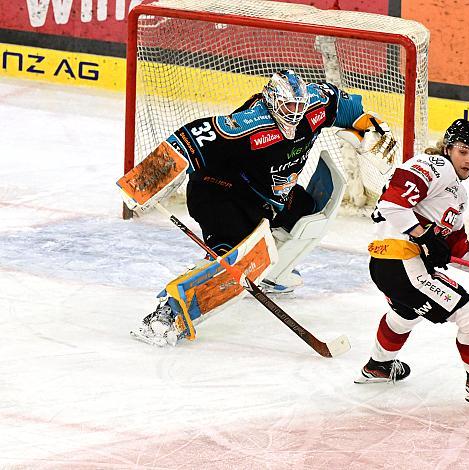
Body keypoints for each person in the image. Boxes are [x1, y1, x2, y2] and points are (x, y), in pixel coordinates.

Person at [132, 69, 396, 347]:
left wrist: (372, 126)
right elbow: (190, 136)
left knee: (310, 215)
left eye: (299, 106)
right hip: (220, 191)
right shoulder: (248, 123)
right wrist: (144, 180)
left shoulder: (317, 104)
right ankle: (167, 315)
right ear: (271, 101)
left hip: (268, 194)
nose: (294, 113)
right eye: (287, 106)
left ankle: (272, 274)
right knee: (231, 256)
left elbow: (351, 109)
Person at [355, 118, 469, 409]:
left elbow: (457, 250)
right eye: (464, 151)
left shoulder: (456, 194)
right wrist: (422, 234)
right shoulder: (434, 166)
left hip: (395, 265)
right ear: (448, 148)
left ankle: (379, 366)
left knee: (406, 312)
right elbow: (391, 205)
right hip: (400, 260)